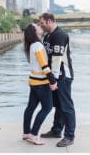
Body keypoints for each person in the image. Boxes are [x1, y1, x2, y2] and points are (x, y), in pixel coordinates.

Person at [38, 13, 76, 147]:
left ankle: (69, 136)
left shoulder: (60, 35)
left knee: (66, 106)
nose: (40, 25)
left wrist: (52, 80)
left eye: (42, 23)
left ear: (49, 21)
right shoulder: (48, 36)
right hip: (54, 76)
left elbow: (56, 59)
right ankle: (56, 130)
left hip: (62, 76)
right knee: (58, 105)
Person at [22, 23, 58, 145]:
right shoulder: (37, 45)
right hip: (41, 83)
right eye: (36, 26)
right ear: (34, 31)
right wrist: (52, 81)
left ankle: (26, 133)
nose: (39, 26)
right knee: (47, 107)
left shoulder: (32, 45)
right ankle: (33, 134)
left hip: (33, 81)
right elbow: (44, 65)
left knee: (30, 108)